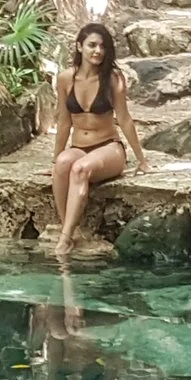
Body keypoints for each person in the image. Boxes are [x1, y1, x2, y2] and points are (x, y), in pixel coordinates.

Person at [47, 20, 148, 260]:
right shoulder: (64, 79)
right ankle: (69, 228)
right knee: (63, 165)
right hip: (79, 146)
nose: (98, 51)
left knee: (80, 170)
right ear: (79, 46)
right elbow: (64, 122)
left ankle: (65, 239)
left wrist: (141, 160)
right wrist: (55, 157)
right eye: (92, 45)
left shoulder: (113, 78)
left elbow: (124, 119)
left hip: (109, 149)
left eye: (102, 47)